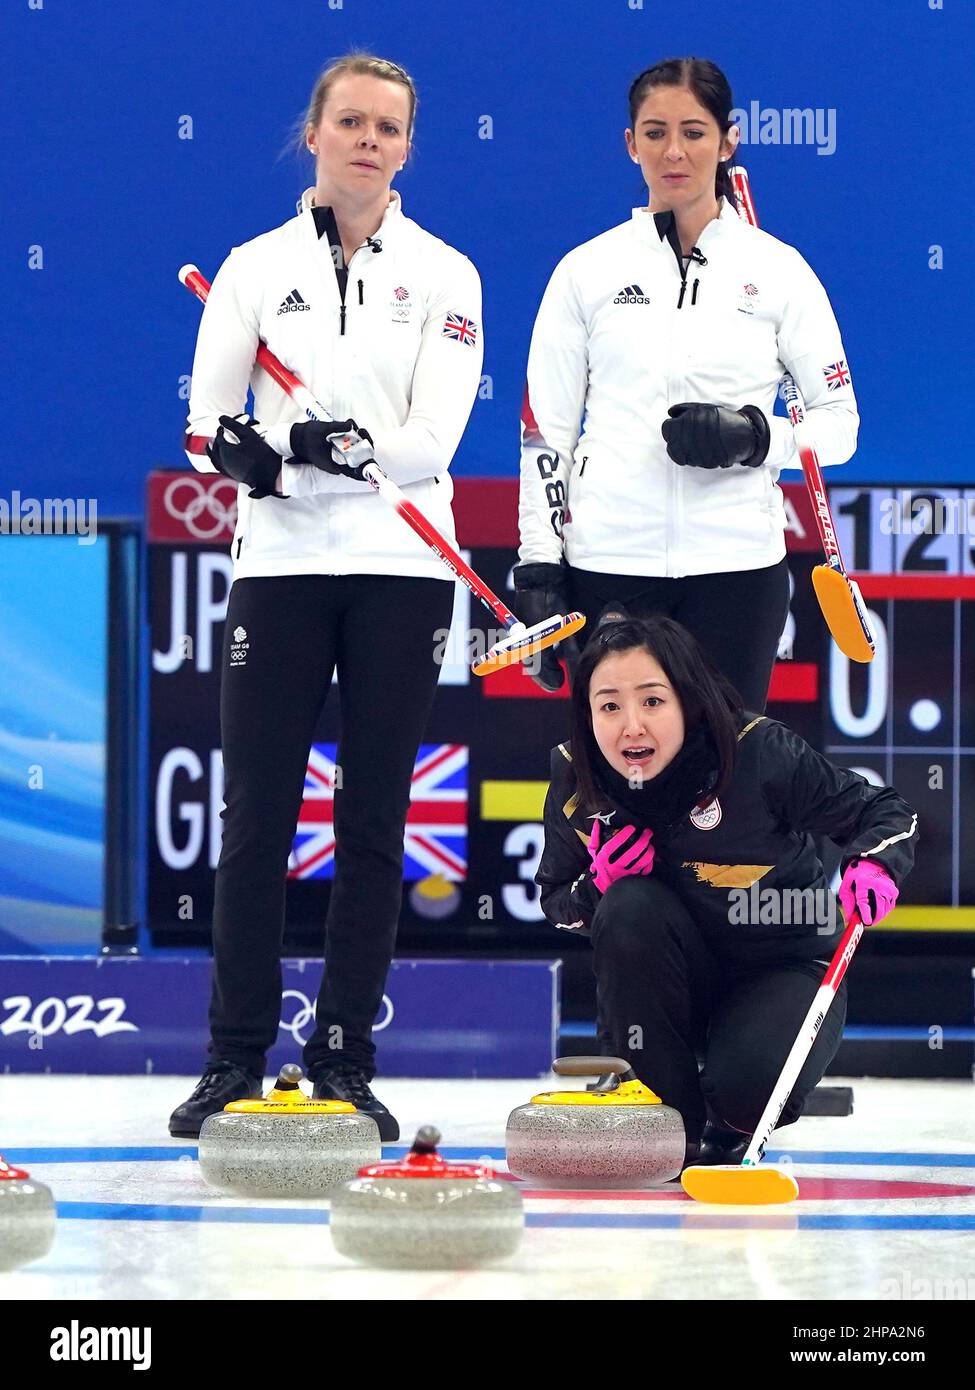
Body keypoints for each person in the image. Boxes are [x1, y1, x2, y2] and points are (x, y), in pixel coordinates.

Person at [169, 53, 483, 1141]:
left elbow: (430, 442)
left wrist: (314, 450)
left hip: (403, 571)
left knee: (373, 816)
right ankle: (232, 1058)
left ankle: (345, 1054)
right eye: (349, 121)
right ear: (314, 134)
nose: (367, 141)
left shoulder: (446, 273)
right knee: (258, 817)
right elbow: (206, 428)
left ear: (407, 148)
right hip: (281, 568)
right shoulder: (252, 268)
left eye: (386, 127)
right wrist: (257, 454)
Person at [514, 57, 858, 709]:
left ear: (728, 141)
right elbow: (544, 434)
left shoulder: (779, 271)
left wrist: (755, 437)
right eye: (655, 132)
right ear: (630, 144)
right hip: (608, 568)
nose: (673, 151)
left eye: (694, 132)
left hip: (737, 571)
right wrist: (538, 566)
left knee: (726, 766)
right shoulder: (585, 272)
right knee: (619, 767)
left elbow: (839, 425)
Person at [535, 612, 917, 1163]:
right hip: (673, 982)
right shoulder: (578, 775)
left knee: (747, 1096)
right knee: (627, 905)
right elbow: (556, 901)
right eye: (609, 706)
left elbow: (884, 811)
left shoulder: (757, 752)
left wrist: (875, 864)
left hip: (784, 965)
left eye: (652, 700)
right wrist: (598, 888)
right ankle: (668, 1119)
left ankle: (731, 1105)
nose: (631, 726)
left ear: (688, 701)